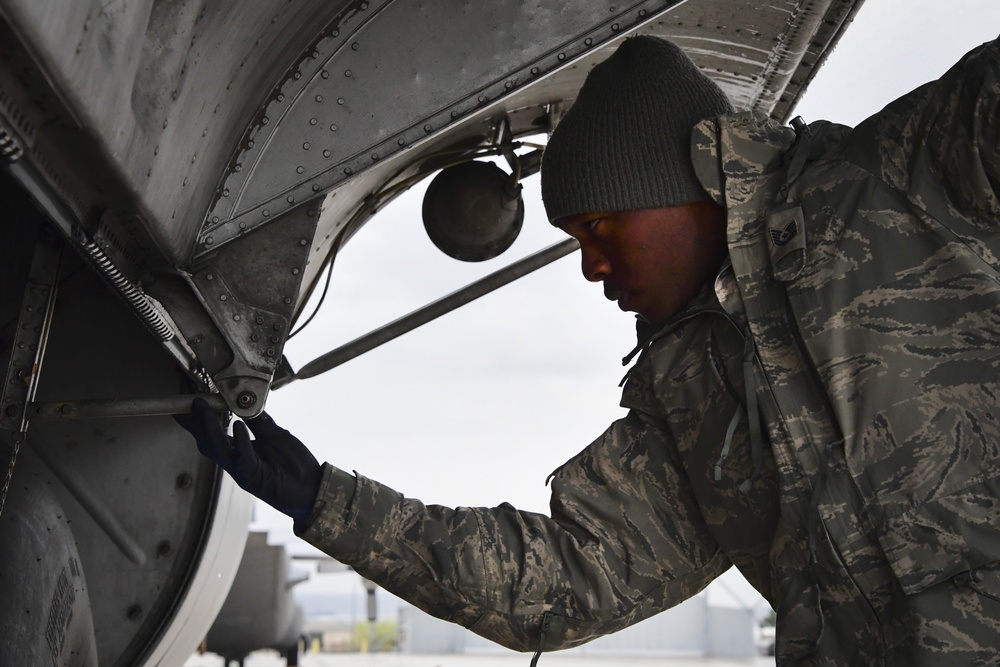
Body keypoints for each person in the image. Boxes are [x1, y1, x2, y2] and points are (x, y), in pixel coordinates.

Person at [177, 34, 1000, 665]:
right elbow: (568, 578)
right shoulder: (689, 398)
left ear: (683, 184)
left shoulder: (903, 174)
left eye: (599, 227)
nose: (590, 265)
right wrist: (327, 501)